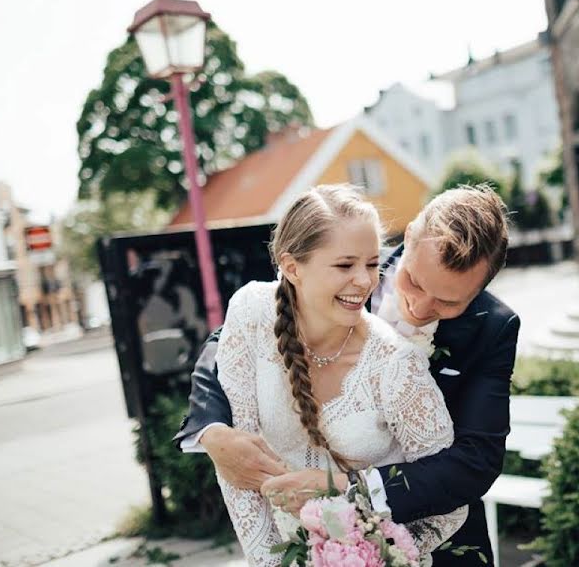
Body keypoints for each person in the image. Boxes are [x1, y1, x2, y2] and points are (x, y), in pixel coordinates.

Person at [175, 183, 519, 566]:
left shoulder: (493, 329)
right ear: (408, 237)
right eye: (415, 282)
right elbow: (229, 343)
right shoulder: (349, 260)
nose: (421, 307)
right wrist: (210, 429)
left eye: (448, 301)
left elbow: (475, 462)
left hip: (434, 544)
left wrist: (352, 496)